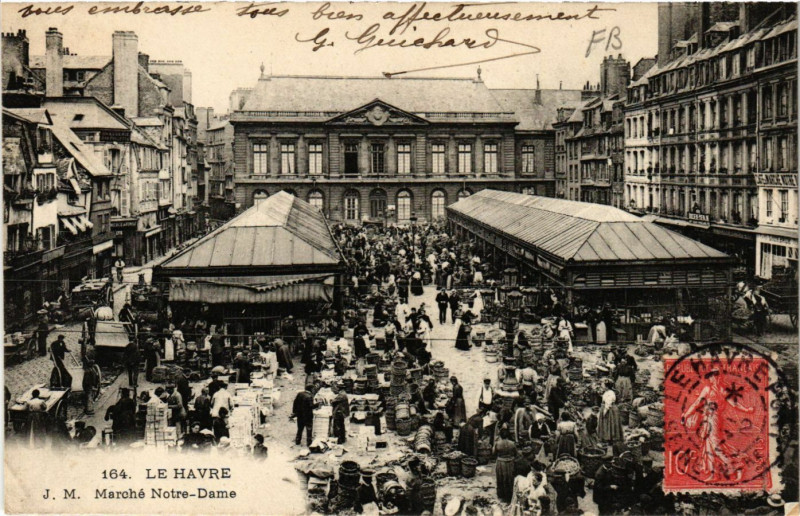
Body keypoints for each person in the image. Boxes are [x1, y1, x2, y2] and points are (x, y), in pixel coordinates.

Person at [493, 426, 517, 504]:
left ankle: (501, 495)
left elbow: (494, 453)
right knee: (509, 479)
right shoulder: (512, 444)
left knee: (500, 478)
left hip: (500, 462)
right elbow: (515, 453)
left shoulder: (497, 443)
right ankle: (509, 496)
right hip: (510, 462)